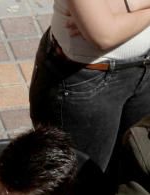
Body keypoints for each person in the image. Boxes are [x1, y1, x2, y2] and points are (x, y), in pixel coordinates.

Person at [30, 0, 150, 171]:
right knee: (81, 184)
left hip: (145, 70)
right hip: (86, 81)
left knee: (136, 172)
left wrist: (123, 10)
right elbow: (105, 34)